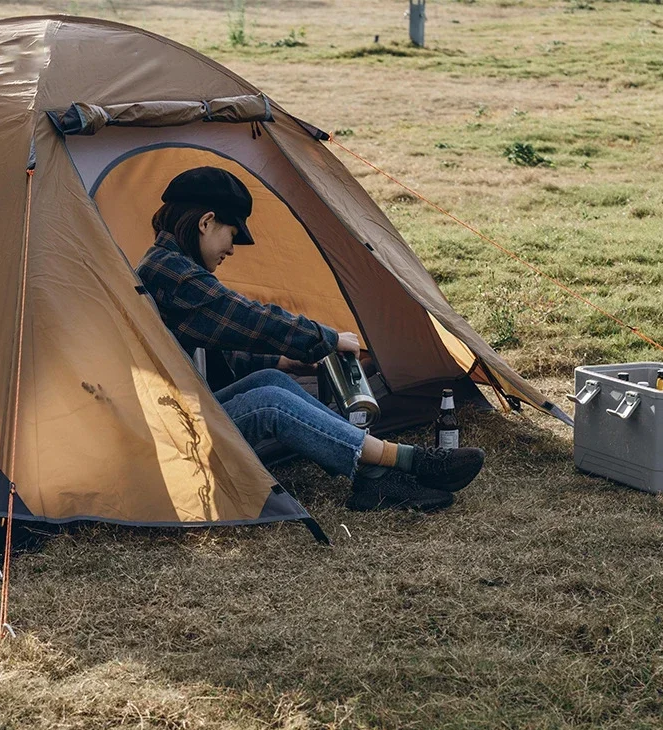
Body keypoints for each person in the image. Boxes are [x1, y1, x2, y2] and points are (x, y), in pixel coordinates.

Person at [136, 166, 484, 512]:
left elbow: (208, 350)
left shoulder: (169, 264)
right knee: (270, 402)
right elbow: (246, 317)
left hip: (183, 417)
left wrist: (279, 361)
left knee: (271, 379)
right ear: (206, 222)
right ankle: (411, 462)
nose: (231, 250)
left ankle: (375, 478)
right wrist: (327, 339)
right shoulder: (171, 272)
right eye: (232, 235)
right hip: (175, 440)